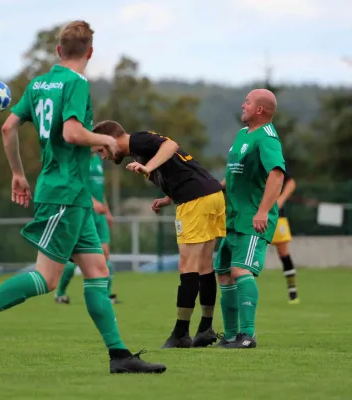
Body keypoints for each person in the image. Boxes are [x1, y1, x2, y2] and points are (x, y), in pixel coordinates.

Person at [0, 20, 166, 374]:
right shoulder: (76, 83)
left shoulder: (37, 84)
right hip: (64, 192)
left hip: (72, 195)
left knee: (97, 270)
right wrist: (106, 140)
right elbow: (73, 132)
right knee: (47, 278)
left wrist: (17, 173)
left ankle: (119, 356)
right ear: (90, 53)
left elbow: (8, 127)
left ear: (58, 50)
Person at [92, 121, 225, 349]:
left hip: (196, 201)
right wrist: (168, 198)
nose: (102, 156)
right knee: (203, 266)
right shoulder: (139, 154)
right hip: (211, 195)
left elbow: (170, 145)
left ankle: (181, 333)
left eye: (101, 149)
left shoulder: (136, 141)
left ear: (111, 139)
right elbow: (180, 169)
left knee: (188, 266)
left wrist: (148, 167)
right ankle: (205, 328)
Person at [215, 88, 286, 348]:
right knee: (223, 273)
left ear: (259, 110)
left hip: (252, 219)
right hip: (232, 218)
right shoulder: (243, 134)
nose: (242, 105)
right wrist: (212, 190)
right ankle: (231, 335)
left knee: (240, 270)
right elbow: (233, 175)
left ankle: (247, 335)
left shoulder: (267, 138)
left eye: (247, 102)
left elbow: (276, 175)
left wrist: (263, 210)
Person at [55, 151, 119, 304]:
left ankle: (105, 295)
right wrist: (93, 203)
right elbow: (77, 186)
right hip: (83, 212)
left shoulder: (98, 159)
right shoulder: (78, 158)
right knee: (72, 260)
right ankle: (60, 294)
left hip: (100, 215)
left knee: (105, 253)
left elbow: (99, 190)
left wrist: (107, 211)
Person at [271, 170, 299, 304]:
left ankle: (292, 289)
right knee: (250, 253)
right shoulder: (248, 161)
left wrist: (281, 199)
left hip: (276, 216)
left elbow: (291, 182)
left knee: (283, 253)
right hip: (253, 214)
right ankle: (245, 293)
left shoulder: (273, 160)